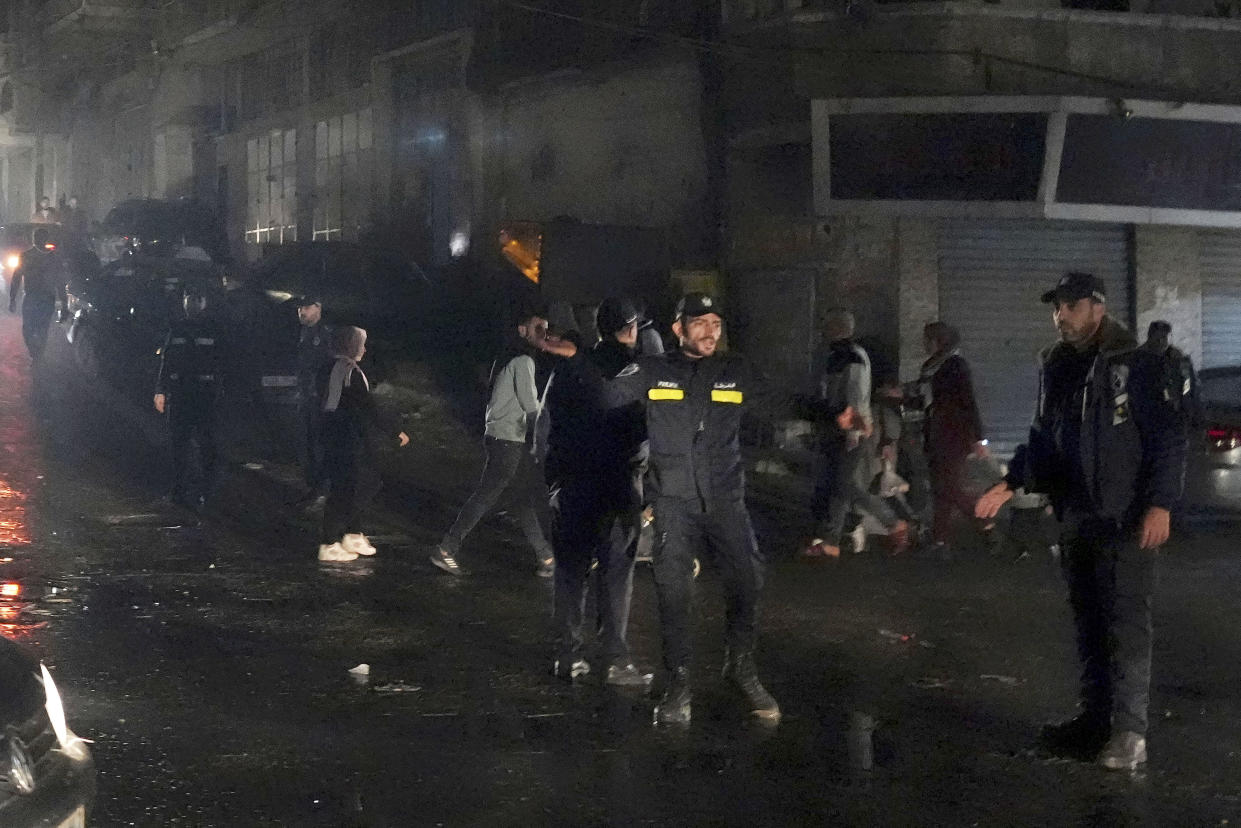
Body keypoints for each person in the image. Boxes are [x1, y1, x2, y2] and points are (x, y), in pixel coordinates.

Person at [976, 272, 1186, 771]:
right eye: (1056, 308)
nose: (1060, 316)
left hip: (1127, 515)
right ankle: (1093, 722)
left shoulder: (1137, 362)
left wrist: (1161, 504)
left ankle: (1129, 733)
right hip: (1077, 514)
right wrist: (1009, 483)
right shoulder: (1057, 364)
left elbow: (1167, 436)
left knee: (1127, 623)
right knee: (1089, 620)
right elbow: (1044, 436)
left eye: (1070, 306)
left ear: (1097, 307)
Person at [542, 292, 781, 725]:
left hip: (725, 500)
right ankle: (679, 682)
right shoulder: (654, 370)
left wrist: (834, 412)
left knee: (748, 579)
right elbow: (604, 399)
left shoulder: (734, 370)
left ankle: (741, 668)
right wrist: (577, 359)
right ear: (678, 328)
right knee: (672, 591)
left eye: (716, 323)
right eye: (700, 322)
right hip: (671, 500)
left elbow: (780, 403)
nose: (710, 331)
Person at [544, 297, 651, 686]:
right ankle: (614, 659)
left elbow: (546, 425)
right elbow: (647, 434)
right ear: (632, 329)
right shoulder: (637, 373)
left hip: (572, 485)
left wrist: (553, 480)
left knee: (571, 572)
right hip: (618, 488)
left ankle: (567, 656)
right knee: (616, 574)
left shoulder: (570, 368)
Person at [430, 307, 556, 577]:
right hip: (508, 438)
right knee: (488, 495)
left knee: (521, 497)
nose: (544, 335)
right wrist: (548, 438)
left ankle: (546, 557)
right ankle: (446, 548)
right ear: (523, 330)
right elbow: (531, 407)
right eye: (538, 329)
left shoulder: (508, 356)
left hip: (503, 436)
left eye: (546, 329)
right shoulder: (523, 361)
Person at [803, 309, 909, 558]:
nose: (823, 330)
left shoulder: (852, 356)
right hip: (837, 428)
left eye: (827, 325)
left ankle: (893, 523)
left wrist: (855, 431)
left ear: (836, 328)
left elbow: (856, 396)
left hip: (850, 430)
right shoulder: (837, 354)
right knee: (839, 484)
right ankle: (831, 541)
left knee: (842, 483)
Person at [318, 326, 409, 562]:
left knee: (351, 483)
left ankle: (352, 533)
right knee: (354, 485)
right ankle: (329, 541)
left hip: (335, 434)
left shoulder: (330, 367)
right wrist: (394, 430)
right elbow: (366, 405)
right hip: (347, 436)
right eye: (361, 343)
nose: (365, 349)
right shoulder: (349, 371)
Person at [919, 321, 989, 556]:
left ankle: (986, 525)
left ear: (938, 341)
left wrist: (978, 438)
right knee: (943, 489)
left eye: (927, 339)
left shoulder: (955, 366)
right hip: (936, 433)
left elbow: (968, 401)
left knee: (948, 487)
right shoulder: (931, 367)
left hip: (953, 435)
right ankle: (941, 541)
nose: (924, 344)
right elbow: (925, 399)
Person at [154, 285, 225, 511]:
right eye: (188, 298)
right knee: (178, 446)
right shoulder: (177, 329)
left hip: (205, 395)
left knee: (208, 446)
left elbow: (226, 362)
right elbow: (167, 361)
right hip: (181, 393)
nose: (191, 303)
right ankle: (179, 491)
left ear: (204, 302)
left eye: (196, 298)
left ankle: (208, 493)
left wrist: (221, 391)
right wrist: (160, 389)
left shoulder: (214, 329)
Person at [295, 295, 334, 512]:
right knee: (308, 445)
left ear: (318, 308)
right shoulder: (305, 333)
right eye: (300, 307)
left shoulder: (325, 335)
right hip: (307, 398)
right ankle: (314, 489)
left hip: (320, 399)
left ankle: (324, 492)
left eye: (306, 307)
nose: (301, 311)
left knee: (320, 446)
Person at [8, 227, 65, 361]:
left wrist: (13, 299)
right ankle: (36, 352)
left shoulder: (51, 258)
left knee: (39, 327)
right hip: (35, 297)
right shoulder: (28, 256)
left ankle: (37, 352)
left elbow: (60, 282)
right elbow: (16, 277)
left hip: (41, 297)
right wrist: (12, 298)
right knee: (33, 328)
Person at [1141, 320, 1202, 428]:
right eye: (1157, 338)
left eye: (1164, 338)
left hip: (1178, 421)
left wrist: (1194, 415)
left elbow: (1191, 387)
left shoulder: (1179, 360)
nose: (1161, 342)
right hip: (1149, 421)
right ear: (1149, 338)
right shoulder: (1139, 360)